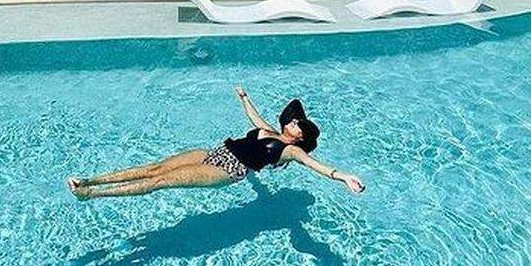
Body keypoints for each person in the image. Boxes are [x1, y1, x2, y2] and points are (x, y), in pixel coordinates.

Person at [67, 89, 365, 199]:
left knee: (161, 181)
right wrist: (244, 98)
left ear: (301, 135)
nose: (294, 121)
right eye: (295, 119)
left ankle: (92, 194)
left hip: (229, 170)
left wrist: (343, 177)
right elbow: (254, 119)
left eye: (298, 123)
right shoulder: (271, 131)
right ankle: (89, 180)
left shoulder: (292, 151)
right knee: (154, 167)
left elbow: (316, 166)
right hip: (217, 152)